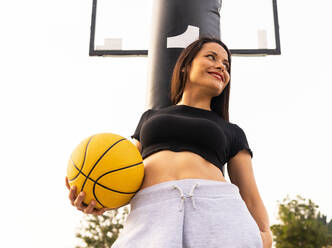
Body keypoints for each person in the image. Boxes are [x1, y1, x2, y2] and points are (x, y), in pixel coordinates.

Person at [66, 37, 273, 248]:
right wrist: (100, 200)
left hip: (217, 211)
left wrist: (265, 235)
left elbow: (251, 197)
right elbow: (127, 176)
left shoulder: (233, 131)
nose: (221, 66)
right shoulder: (150, 118)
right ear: (185, 66)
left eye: (226, 65)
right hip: (151, 213)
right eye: (211, 57)